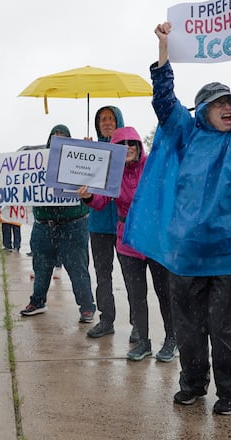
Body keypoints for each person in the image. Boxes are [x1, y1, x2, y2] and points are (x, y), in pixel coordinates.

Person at [123, 4, 231, 415]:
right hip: (188, 253)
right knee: (190, 329)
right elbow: (163, 101)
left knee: (227, 331)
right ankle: (192, 383)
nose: (227, 106)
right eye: (218, 102)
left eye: (230, 100)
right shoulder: (184, 134)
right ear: (202, 110)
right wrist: (163, 51)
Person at [78, 127, 174, 361]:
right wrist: (88, 196)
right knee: (136, 294)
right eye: (122, 144)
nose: (128, 147)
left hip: (155, 240)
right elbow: (101, 202)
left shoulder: (153, 164)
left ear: (139, 145)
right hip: (127, 240)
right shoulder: (112, 172)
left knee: (165, 293)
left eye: (132, 143)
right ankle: (143, 341)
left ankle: (172, 338)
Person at [20, 124, 97, 324]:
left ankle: (87, 307)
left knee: (78, 268)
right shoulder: (39, 163)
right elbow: (21, 183)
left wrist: (90, 151)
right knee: (41, 267)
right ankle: (37, 301)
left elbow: (98, 176)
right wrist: (3, 182)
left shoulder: (79, 161)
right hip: (43, 224)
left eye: (63, 137)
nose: (58, 140)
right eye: (54, 137)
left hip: (73, 224)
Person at [84, 106, 139, 342]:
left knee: (132, 278)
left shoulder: (128, 151)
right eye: (102, 119)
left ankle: (139, 324)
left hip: (124, 226)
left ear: (120, 120)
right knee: (102, 275)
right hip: (98, 226)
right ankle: (106, 320)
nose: (106, 122)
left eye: (111, 118)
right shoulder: (90, 151)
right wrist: (84, 151)